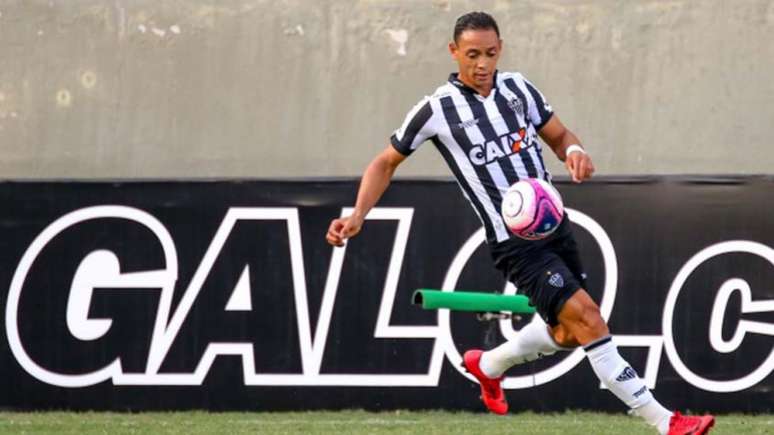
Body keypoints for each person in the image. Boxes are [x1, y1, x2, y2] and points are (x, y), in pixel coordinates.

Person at [325, 11, 714, 435]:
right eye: (472, 54)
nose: (482, 64)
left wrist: (574, 152)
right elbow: (385, 161)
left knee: (567, 333)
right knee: (588, 319)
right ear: (453, 52)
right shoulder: (436, 109)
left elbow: (560, 136)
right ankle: (667, 422)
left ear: (500, 50)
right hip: (515, 244)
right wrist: (358, 214)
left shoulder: (518, 89)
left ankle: (488, 365)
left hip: (556, 224)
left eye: (490, 53)